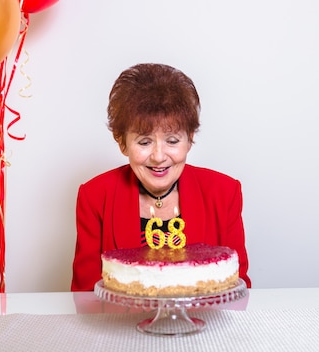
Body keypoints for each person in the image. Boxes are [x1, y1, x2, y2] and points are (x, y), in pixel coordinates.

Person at [71, 63, 250, 291]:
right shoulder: (95, 196)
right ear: (122, 142)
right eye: (144, 142)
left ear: (190, 139)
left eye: (172, 141)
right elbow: (85, 295)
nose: (158, 156)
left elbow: (239, 286)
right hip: (121, 326)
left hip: (204, 325)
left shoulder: (224, 193)